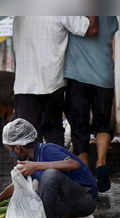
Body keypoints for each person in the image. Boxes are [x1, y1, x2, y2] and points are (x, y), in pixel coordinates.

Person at [0, 118, 98, 218]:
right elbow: (16, 185)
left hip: (86, 199)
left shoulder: (47, 150)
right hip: (71, 200)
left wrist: (36, 166)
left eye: (11, 149)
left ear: (18, 147)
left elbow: (74, 164)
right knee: (35, 193)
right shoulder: (31, 159)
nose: (11, 153)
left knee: (50, 176)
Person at [13, 16, 99, 146]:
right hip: (52, 84)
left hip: (24, 86)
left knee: (25, 141)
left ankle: (28, 165)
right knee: (53, 136)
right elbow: (91, 29)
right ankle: (52, 165)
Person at [64, 16, 118, 192]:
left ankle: (85, 173)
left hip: (77, 76)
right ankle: (101, 162)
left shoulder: (75, 15)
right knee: (102, 123)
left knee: (79, 127)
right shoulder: (110, 18)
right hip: (104, 76)